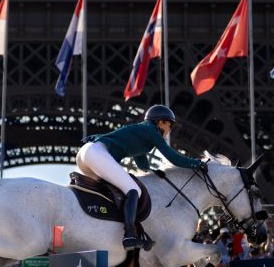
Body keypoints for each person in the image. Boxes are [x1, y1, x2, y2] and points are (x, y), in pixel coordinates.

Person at [76, 104, 204, 250]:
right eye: (169, 125)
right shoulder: (151, 131)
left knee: (111, 192)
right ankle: (129, 235)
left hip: (86, 155)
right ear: (160, 122)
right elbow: (173, 158)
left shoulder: (142, 132)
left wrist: (155, 171)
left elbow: (142, 164)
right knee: (133, 189)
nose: (169, 131)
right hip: (96, 153)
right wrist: (196, 164)